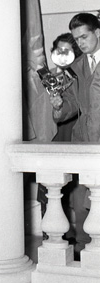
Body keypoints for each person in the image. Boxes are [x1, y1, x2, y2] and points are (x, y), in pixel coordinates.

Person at [49, 13, 100, 252]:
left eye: (84, 37)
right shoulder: (77, 67)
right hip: (83, 144)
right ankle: (82, 251)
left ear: (97, 32)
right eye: (77, 39)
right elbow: (71, 104)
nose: (80, 43)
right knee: (81, 205)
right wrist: (59, 105)